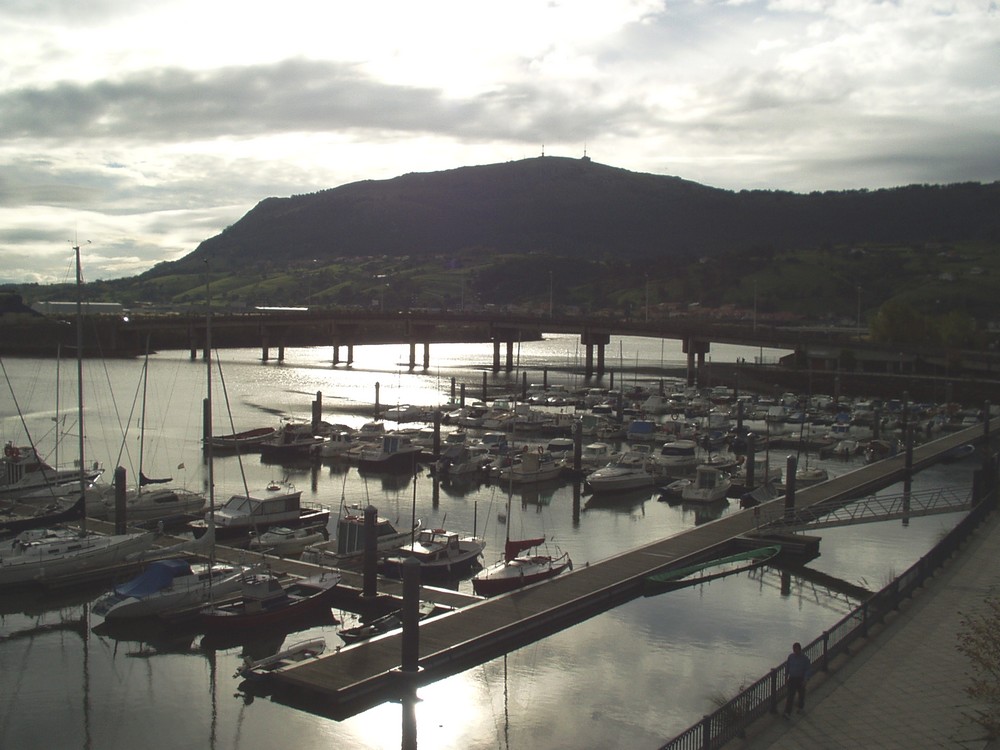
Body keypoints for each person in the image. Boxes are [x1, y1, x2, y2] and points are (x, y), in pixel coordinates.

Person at [784, 642, 811, 717]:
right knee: (790, 696)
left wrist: (805, 680)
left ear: (800, 649)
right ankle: (787, 712)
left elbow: (808, 669)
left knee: (801, 694)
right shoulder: (791, 657)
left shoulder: (805, 659)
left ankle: (800, 708)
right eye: (794, 650)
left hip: (800, 678)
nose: (795, 651)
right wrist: (786, 677)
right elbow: (787, 667)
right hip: (792, 678)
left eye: (796, 650)